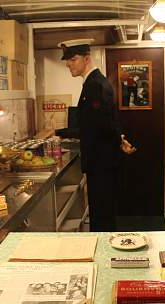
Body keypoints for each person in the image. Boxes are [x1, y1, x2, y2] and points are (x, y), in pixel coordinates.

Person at [58, 39, 136, 232]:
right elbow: (106, 121)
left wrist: (57, 133)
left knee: (102, 216)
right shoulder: (96, 83)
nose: (68, 64)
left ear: (86, 59)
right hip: (103, 162)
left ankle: (103, 255)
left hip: (101, 164)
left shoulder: (94, 85)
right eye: (67, 61)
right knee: (103, 213)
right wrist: (120, 140)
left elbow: (91, 126)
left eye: (73, 59)